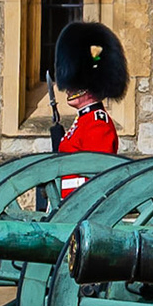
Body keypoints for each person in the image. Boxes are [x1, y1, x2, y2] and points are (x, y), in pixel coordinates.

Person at [51, 20, 128, 195]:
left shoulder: (97, 123)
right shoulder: (83, 120)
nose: (69, 89)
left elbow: (99, 172)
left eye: (76, 85)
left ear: (90, 86)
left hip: (79, 203)